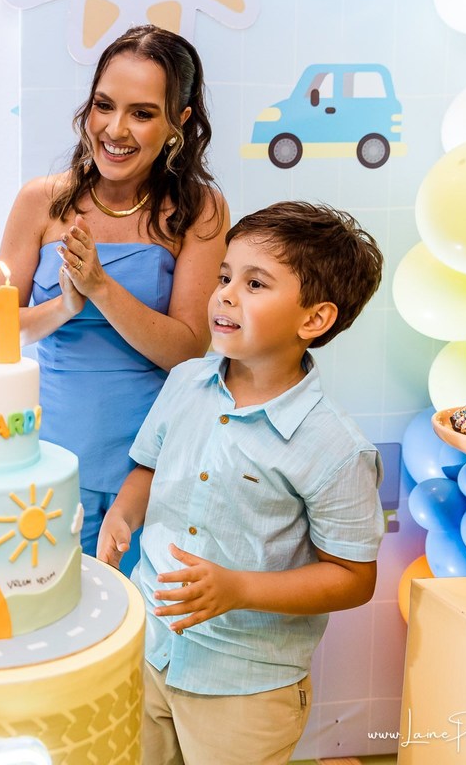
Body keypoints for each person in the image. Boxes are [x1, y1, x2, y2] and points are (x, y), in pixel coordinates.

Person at [97, 201, 386, 765]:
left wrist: (239, 589)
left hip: (246, 688)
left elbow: (353, 578)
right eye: (225, 275)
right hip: (149, 652)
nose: (225, 293)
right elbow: (149, 470)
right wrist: (123, 515)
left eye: (255, 283)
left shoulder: (334, 446)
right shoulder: (183, 382)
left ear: (313, 320)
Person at [0, 25, 229, 572]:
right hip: (46, 458)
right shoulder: (40, 201)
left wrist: (99, 286)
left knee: (137, 635)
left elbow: (189, 351)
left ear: (179, 123)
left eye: (142, 113)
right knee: (47, 619)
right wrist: (65, 305)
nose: (115, 130)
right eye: (103, 105)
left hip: (150, 467)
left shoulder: (200, 210)